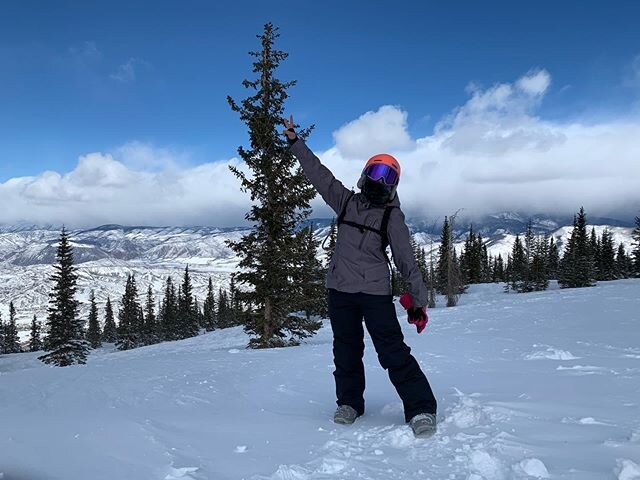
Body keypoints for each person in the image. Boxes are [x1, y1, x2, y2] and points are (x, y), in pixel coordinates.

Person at [283, 115, 438, 436]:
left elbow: (406, 259)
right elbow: (319, 175)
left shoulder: (392, 217)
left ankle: (421, 408)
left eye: (388, 175)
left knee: (392, 350)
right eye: (376, 172)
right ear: (365, 174)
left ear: (394, 184)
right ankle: (350, 402)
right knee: (346, 348)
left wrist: (417, 301)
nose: (380, 181)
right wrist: (296, 143)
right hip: (340, 291)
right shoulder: (346, 202)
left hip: (374, 294)